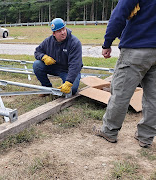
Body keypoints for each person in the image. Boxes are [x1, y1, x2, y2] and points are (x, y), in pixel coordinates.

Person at [93, 0, 156, 148]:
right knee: (153, 97)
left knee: (121, 93)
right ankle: (146, 137)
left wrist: (107, 43)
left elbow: (119, 15)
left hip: (136, 47)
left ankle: (109, 131)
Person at [33, 18, 83, 96]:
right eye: (59, 31)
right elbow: (37, 51)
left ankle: (67, 84)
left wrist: (69, 82)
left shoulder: (74, 43)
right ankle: (46, 87)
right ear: (54, 33)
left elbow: (75, 64)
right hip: (54, 67)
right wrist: (43, 57)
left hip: (68, 70)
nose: (63, 32)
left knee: (72, 89)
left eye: (64, 29)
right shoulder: (48, 41)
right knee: (37, 65)